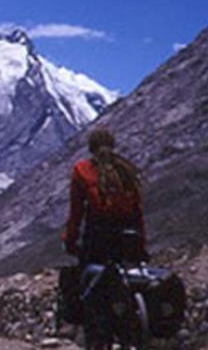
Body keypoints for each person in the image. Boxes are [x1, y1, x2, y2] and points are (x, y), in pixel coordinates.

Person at [62, 127, 147, 349]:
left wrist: (70, 240)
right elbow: (138, 211)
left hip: (98, 241)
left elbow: (76, 213)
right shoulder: (127, 170)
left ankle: (92, 336)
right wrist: (141, 243)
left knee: (89, 289)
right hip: (130, 241)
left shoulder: (82, 170)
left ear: (91, 147)